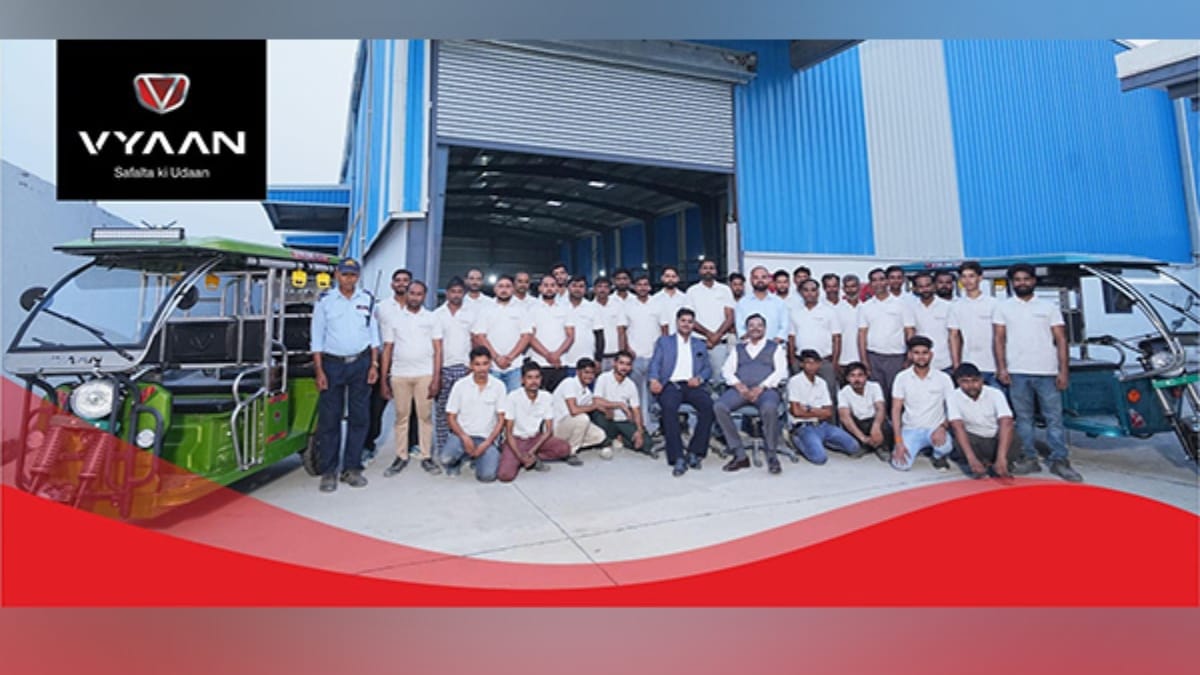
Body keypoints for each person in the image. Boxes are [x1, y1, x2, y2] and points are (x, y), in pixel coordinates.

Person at [994, 263, 1081, 482]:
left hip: (1047, 372)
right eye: (1017, 280)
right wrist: (1002, 368)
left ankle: (1060, 460)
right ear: (1012, 283)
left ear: (1033, 281)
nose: (1022, 283)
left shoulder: (1048, 307)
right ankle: (1029, 458)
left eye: (1026, 279)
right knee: (1024, 419)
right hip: (1017, 372)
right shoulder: (1003, 308)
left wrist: (1063, 371)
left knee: (1054, 418)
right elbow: (999, 339)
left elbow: (1061, 340)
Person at [309, 257, 380, 492]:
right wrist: (319, 370)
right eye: (345, 274)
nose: (349, 279)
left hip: (360, 363)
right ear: (337, 275)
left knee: (359, 418)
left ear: (358, 277)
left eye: (353, 275)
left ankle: (352, 468)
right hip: (332, 365)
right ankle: (329, 471)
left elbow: (373, 336)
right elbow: (317, 338)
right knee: (330, 419)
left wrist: (374, 365)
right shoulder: (325, 301)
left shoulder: (367, 300)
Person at [381, 280, 443, 477]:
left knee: (425, 417)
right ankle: (401, 456)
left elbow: (438, 350)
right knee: (401, 416)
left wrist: (436, 378)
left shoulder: (432, 318)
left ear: (424, 296)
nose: (415, 297)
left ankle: (426, 456)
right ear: (406, 294)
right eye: (412, 293)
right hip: (400, 375)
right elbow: (388, 349)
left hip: (425, 374)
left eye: (419, 294)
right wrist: (384, 379)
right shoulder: (394, 319)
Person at [714, 314, 789, 474]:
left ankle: (772, 455)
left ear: (765, 328)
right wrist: (738, 385)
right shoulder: (739, 348)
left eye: (759, 325)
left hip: (766, 390)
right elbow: (727, 370)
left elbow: (781, 372)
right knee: (719, 406)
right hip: (741, 389)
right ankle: (740, 454)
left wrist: (762, 387)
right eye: (751, 325)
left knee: (769, 408)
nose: (755, 328)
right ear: (746, 329)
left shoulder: (775, 347)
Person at [648, 308, 715, 476]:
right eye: (683, 321)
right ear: (677, 322)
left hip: (692, 385)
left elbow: (708, 368)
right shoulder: (664, 342)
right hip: (671, 385)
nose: (686, 324)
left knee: (708, 406)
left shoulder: (699, 344)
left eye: (690, 322)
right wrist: (653, 379)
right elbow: (655, 363)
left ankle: (695, 452)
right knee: (669, 409)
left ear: (694, 325)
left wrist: (700, 378)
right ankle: (677, 456)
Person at [439, 346, 506, 481]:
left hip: (486, 439)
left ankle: (479, 458)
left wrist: (487, 443)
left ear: (490, 364)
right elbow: (450, 417)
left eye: (485, 364)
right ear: (471, 365)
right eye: (477, 364)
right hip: (462, 436)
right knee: (446, 458)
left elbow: (501, 420)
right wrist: (464, 437)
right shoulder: (460, 385)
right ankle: (459, 460)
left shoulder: (498, 386)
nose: (481, 368)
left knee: (487, 476)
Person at [367, 268, 413, 462]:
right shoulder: (381, 308)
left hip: (409, 364)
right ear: (392, 284)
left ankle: (411, 445)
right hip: (384, 362)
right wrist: (375, 363)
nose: (401, 283)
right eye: (398, 280)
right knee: (375, 407)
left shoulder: (417, 308)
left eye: (405, 280)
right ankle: (368, 443)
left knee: (410, 408)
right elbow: (372, 334)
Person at [890, 335, 955, 472]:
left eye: (925, 353)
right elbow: (896, 410)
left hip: (935, 429)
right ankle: (917, 447)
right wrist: (898, 441)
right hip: (910, 429)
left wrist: (943, 427)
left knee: (945, 447)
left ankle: (938, 456)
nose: (921, 357)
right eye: (916, 353)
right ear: (910, 355)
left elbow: (953, 408)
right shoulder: (902, 378)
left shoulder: (943, 378)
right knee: (900, 465)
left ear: (931, 355)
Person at [498, 362, 572, 481]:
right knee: (505, 476)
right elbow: (508, 433)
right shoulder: (513, 397)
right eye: (529, 377)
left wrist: (532, 452)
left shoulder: (546, 397)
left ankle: (532, 458)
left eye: (537, 377)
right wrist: (520, 456)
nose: (534, 381)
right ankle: (519, 460)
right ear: (522, 380)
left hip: (535, 439)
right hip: (516, 440)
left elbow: (548, 430)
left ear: (541, 379)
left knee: (564, 449)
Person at [787, 350, 861, 464]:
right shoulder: (795, 381)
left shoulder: (821, 382)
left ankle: (820, 442)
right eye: (808, 363)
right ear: (802, 364)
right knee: (820, 458)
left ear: (819, 364)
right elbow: (796, 412)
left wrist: (808, 409)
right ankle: (796, 440)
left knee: (854, 447)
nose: (811, 366)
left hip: (823, 425)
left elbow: (829, 412)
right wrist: (819, 411)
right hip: (804, 427)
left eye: (815, 363)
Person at [946, 362, 1018, 479]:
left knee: (1012, 433)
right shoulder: (953, 397)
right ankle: (980, 464)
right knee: (957, 438)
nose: (971, 385)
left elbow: (1006, 422)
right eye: (965, 381)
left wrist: (1001, 457)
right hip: (975, 439)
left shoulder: (995, 393)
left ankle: (1002, 462)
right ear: (958, 382)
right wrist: (971, 459)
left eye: (975, 381)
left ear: (981, 380)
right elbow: (957, 426)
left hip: (995, 437)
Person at [858, 267, 916, 406]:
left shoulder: (901, 304)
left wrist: (909, 356)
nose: (878, 283)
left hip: (896, 357)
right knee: (878, 396)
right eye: (874, 280)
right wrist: (864, 360)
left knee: (896, 394)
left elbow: (909, 331)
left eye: (881, 279)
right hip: (874, 356)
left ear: (887, 282)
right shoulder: (865, 307)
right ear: (870, 284)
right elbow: (862, 334)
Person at [432, 276, 476, 458]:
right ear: (447, 293)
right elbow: (436, 347)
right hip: (444, 369)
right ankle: (444, 451)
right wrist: (437, 375)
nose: (456, 295)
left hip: (464, 368)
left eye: (459, 292)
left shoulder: (471, 314)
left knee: (465, 412)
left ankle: (465, 450)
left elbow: (475, 340)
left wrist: (472, 367)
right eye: (453, 292)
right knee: (443, 413)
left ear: (464, 293)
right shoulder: (437, 315)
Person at [472, 275, 534, 392]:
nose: (504, 290)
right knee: (491, 400)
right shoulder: (485, 309)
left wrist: (510, 358)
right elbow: (480, 336)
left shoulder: (522, 309)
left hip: (515, 366)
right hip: (492, 366)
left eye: (508, 286)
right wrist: (496, 357)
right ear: (495, 289)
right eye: (500, 286)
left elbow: (526, 336)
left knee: (514, 401)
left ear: (513, 289)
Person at [620, 275, 664, 437]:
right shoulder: (627, 305)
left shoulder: (658, 304)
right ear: (634, 287)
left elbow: (664, 329)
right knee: (635, 394)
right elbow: (622, 330)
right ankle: (637, 427)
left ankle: (653, 427)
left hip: (654, 357)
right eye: (639, 285)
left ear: (650, 287)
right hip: (635, 357)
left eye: (646, 284)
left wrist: (663, 353)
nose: (643, 287)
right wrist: (626, 350)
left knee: (654, 395)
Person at [787, 278, 842, 404]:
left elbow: (837, 338)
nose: (810, 293)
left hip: (824, 362)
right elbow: (791, 337)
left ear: (818, 292)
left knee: (829, 397)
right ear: (801, 292)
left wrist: (834, 362)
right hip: (801, 362)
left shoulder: (829, 311)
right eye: (806, 290)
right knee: (801, 398)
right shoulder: (794, 312)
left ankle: (831, 418)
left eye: (813, 290)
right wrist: (792, 360)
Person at [948, 261, 1000, 387]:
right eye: (964, 277)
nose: (968, 281)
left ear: (980, 278)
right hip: (968, 366)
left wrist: (1001, 366)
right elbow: (954, 336)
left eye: (971, 276)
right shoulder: (956, 306)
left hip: (993, 367)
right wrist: (957, 365)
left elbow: (1000, 336)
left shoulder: (994, 304)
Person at [685, 259, 736, 382]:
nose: (708, 270)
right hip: (699, 342)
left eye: (711, 268)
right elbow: (689, 318)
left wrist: (717, 336)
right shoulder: (692, 291)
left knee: (720, 379)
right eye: (705, 268)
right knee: (698, 378)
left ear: (716, 271)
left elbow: (730, 316)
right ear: (700, 271)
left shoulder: (725, 290)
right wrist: (709, 335)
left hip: (720, 343)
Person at [550, 358, 609, 462]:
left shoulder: (587, 392)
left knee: (600, 436)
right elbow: (574, 410)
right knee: (583, 418)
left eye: (592, 373)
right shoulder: (569, 383)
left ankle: (564, 446)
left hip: (571, 426)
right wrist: (595, 406)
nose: (589, 376)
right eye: (586, 372)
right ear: (577, 372)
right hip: (557, 426)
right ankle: (570, 452)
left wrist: (616, 407)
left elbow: (597, 403)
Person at [592, 351, 649, 455]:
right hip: (607, 419)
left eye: (628, 364)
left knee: (646, 443)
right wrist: (620, 405)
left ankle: (620, 438)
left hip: (623, 421)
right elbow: (596, 400)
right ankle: (611, 438)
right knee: (598, 414)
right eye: (621, 363)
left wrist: (639, 431)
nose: (624, 367)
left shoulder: (631, 385)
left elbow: (636, 410)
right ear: (614, 363)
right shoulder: (604, 378)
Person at [527, 274, 575, 392]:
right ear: (540, 288)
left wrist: (557, 355)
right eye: (546, 285)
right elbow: (530, 337)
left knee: (560, 397)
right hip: (539, 362)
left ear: (557, 288)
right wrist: (548, 355)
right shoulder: (531, 309)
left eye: (553, 285)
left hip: (560, 362)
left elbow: (570, 336)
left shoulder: (566, 308)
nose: (549, 288)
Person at [837, 362, 891, 461]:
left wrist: (876, 427)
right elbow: (845, 417)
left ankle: (881, 447)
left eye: (860, 375)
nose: (857, 379)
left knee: (885, 424)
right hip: (858, 424)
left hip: (874, 421)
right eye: (852, 376)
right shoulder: (843, 392)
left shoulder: (874, 386)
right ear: (847, 378)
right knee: (847, 429)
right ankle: (867, 445)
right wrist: (863, 438)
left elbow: (880, 408)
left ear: (866, 376)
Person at [909, 271, 953, 373]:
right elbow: (910, 334)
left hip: (945, 362)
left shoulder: (948, 307)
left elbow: (953, 336)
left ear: (934, 286)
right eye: (921, 286)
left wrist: (956, 363)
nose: (925, 289)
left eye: (928, 285)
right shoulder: (910, 308)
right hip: (920, 363)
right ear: (915, 289)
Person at [735, 266, 790, 343]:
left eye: (763, 277)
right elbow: (740, 329)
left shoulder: (779, 302)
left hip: (775, 347)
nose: (760, 280)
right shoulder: (742, 303)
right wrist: (754, 345)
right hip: (749, 347)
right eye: (756, 277)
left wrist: (771, 345)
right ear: (751, 280)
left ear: (769, 280)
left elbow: (784, 327)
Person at [562, 275, 603, 375]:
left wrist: (598, 359)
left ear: (585, 289)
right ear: (568, 288)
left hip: (587, 360)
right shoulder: (559, 306)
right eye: (574, 286)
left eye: (581, 286)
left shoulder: (592, 308)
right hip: (563, 361)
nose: (577, 289)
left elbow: (599, 335)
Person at [592, 277, 627, 371]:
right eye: (599, 287)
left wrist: (621, 354)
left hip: (615, 355)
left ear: (610, 289)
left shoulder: (617, 305)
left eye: (606, 287)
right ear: (594, 289)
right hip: (596, 357)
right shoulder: (589, 307)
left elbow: (621, 331)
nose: (602, 289)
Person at [834, 274, 863, 378]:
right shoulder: (836, 310)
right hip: (843, 360)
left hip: (862, 359)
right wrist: (835, 360)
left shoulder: (866, 307)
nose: (851, 290)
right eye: (847, 287)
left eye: (853, 286)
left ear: (859, 287)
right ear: (843, 289)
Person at [653, 265, 690, 335]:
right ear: (662, 278)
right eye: (667, 276)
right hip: (660, 337)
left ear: (678, 279)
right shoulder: (655, 299)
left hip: (681, 336)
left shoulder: (685, 298)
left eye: (673, 276)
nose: (670, 279)